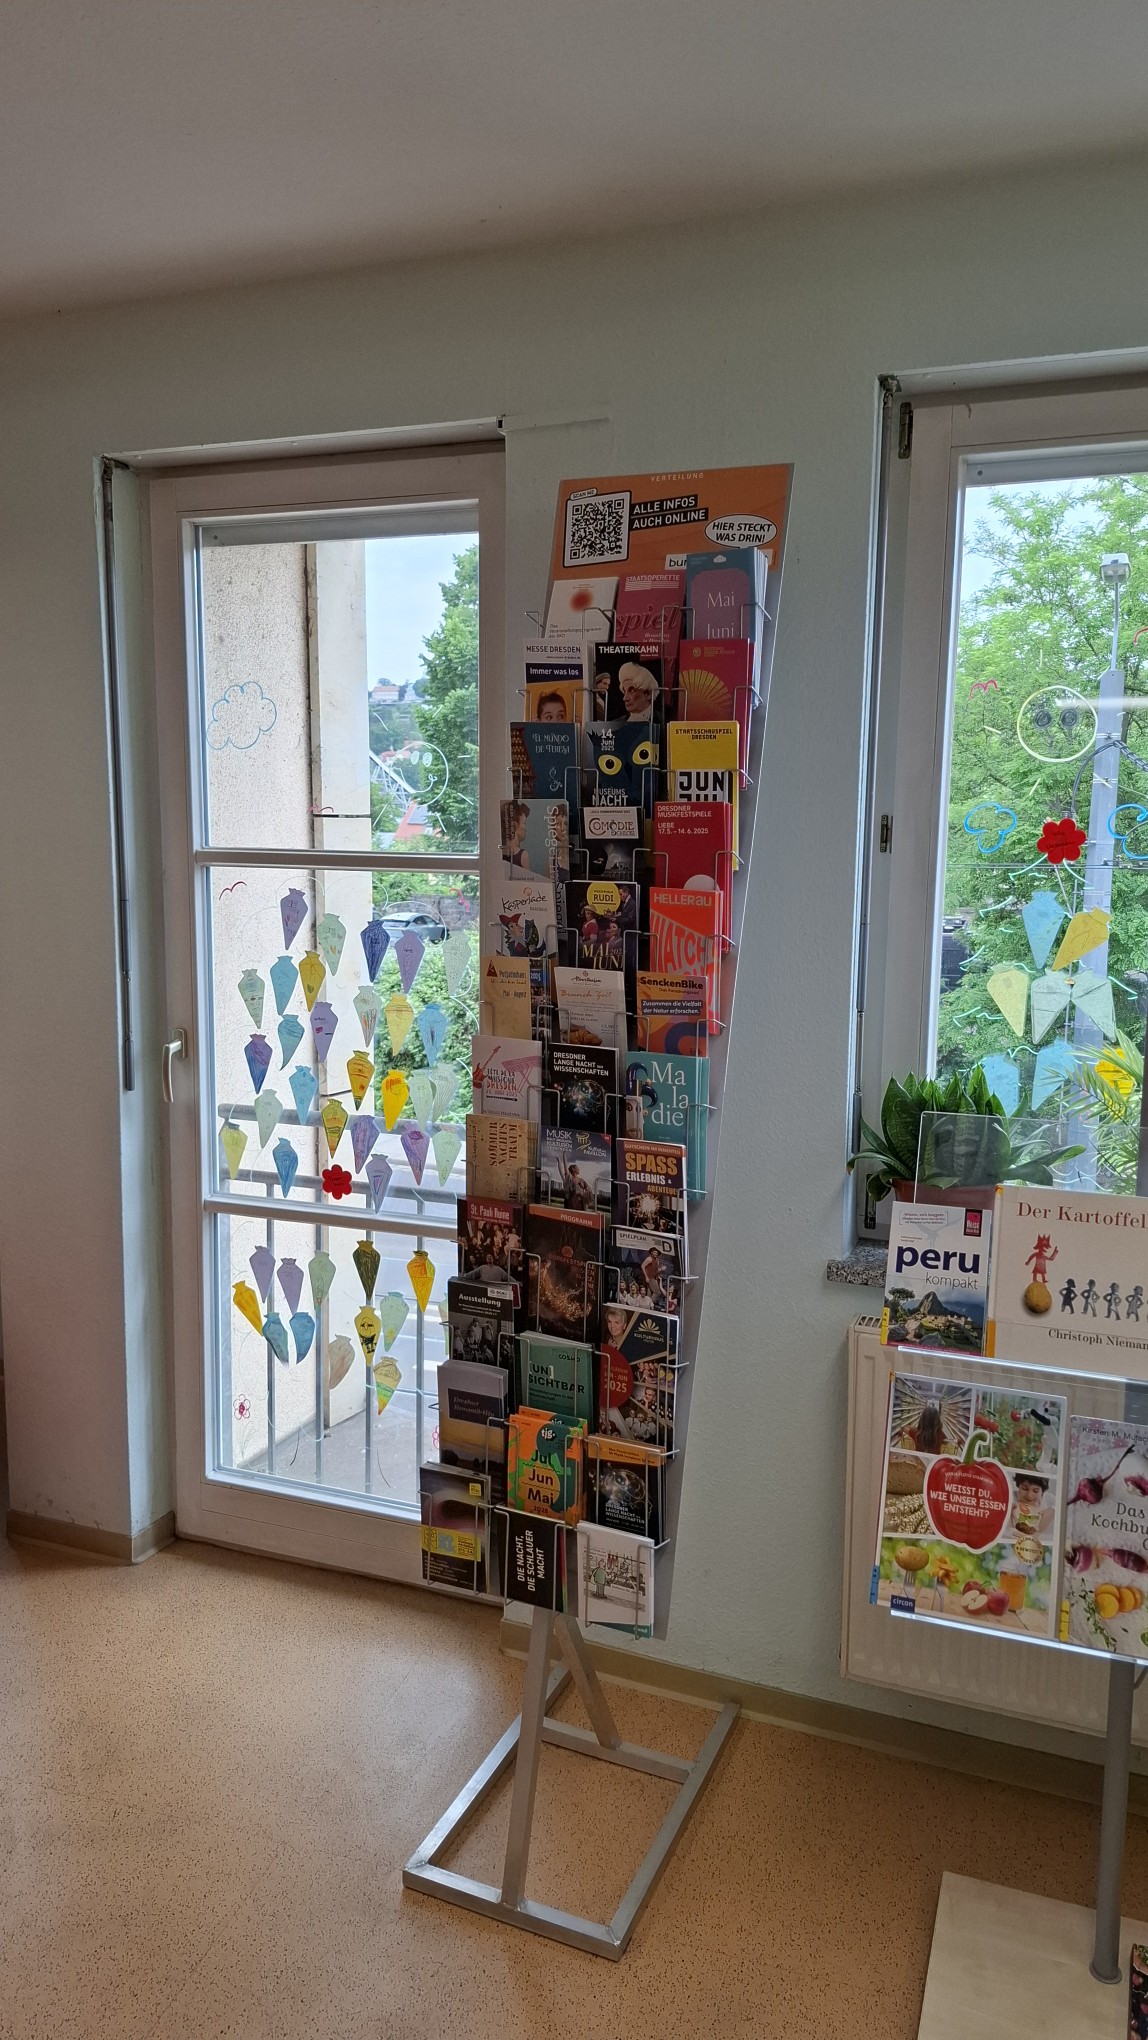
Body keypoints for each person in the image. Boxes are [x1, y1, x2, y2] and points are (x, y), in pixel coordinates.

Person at [502, 801, 531, 868]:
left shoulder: (501, 852)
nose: (526, 829)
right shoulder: (523, 855)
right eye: (524, 823)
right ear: (515, 825)